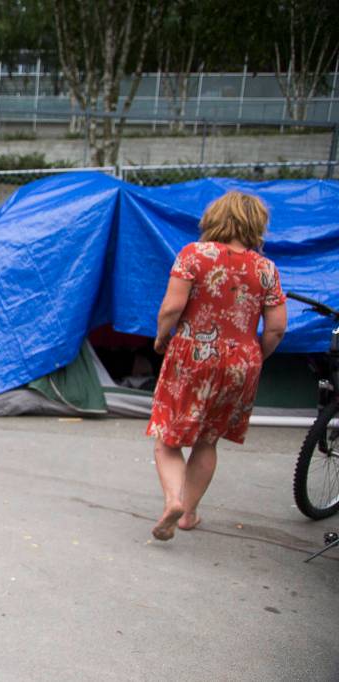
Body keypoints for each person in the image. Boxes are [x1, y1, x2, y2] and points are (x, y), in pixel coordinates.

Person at [146, 191, 287, 542]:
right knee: (208, 441)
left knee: (168, 438)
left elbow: (172, 308)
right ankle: (188, 514)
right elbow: (276, 328)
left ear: (215, 218)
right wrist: (254, 356)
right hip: (242, 360)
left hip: (193, 355)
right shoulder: (266, 269)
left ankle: (174, 500)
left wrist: (162, 337)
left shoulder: (194, 255)